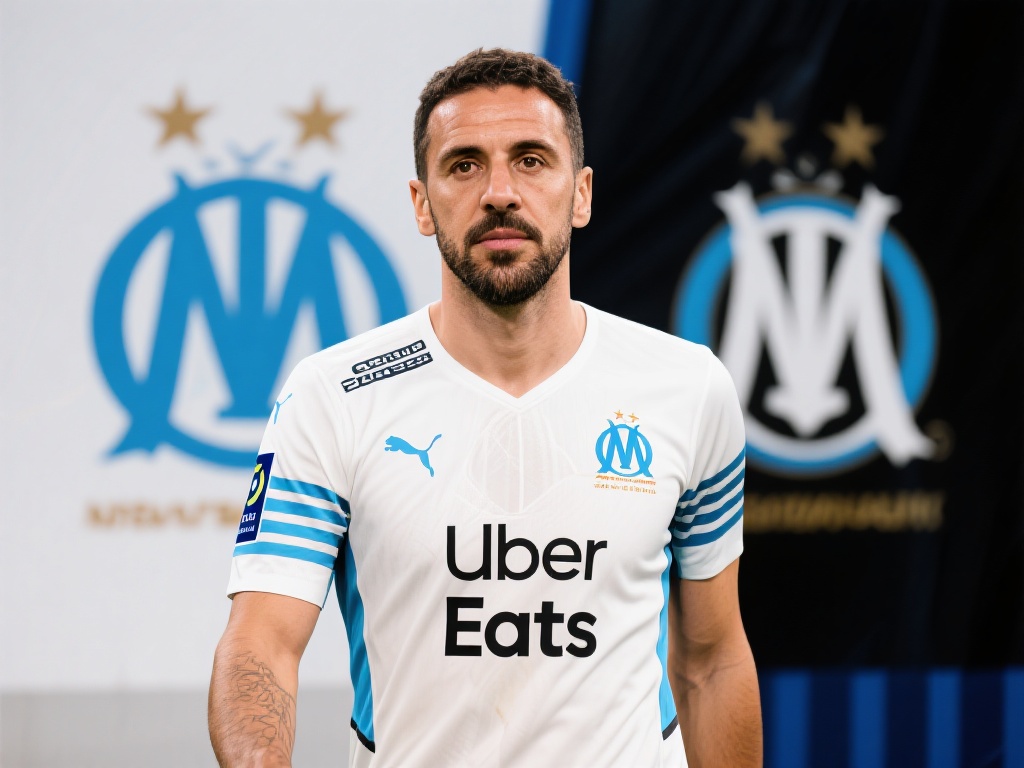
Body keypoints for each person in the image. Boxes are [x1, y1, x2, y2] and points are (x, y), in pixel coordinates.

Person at [209, 48, 762, 767]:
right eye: (464, 165)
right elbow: (261, 645)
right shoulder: (332, 395)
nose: (500, 192)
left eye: (531, 160)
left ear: (582, 193)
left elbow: (712, 661)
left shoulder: (688, 388)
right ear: (421, 203)